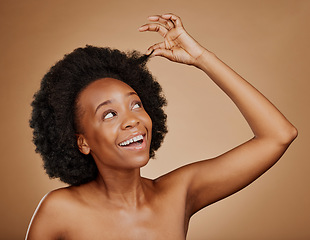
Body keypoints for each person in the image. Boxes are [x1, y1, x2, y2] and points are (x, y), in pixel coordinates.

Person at [26, 13, 297, 240]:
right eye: (109, 114)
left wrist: (201, 57)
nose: (132, 120)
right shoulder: (59, 210)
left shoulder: (179, 194)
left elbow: (279, 135)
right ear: (82, 141)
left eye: (136, 105)